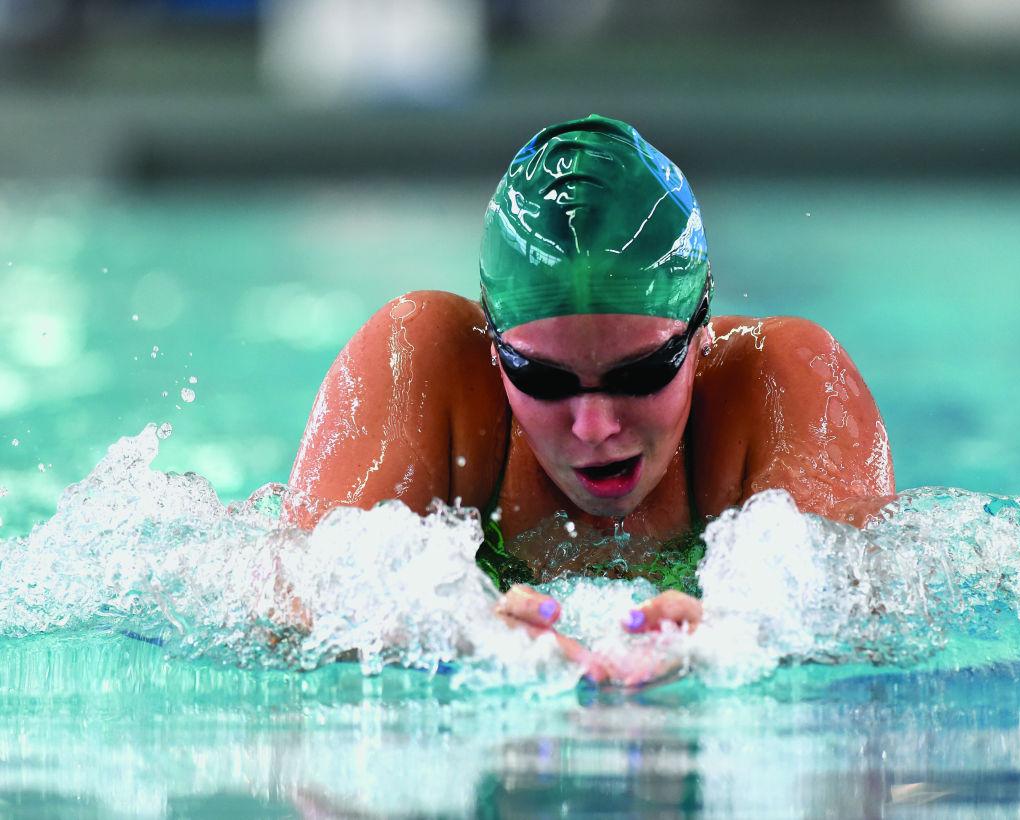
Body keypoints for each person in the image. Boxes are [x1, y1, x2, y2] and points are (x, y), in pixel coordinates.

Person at [285, 115, 894, 682]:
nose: (595, 427)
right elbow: (288, 602)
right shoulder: (421, 362)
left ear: (700, 329)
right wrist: (454, 630)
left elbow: (869, 618)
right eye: (544, 379)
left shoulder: (785, 382)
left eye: (643, 372)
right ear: (495, 347)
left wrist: (737, 645)